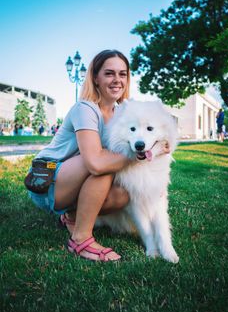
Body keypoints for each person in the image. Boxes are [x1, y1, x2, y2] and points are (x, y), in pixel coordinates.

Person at [26, 49, 170, 262]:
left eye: (122, 74)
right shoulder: (85, 108)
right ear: (95, 77)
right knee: (103, 166)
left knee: (123, 193)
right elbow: (95, 164)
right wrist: (146, 154)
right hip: (47, 181)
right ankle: (80, 239)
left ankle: (72, 216)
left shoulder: (121, 113)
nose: (117, 80)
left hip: (74, 181)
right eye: (109, 73)